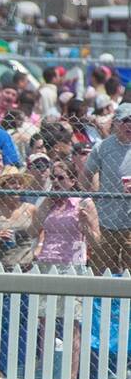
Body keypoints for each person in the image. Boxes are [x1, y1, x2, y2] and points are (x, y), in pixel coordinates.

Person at [80, 102, 131, 273]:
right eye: (126, 120)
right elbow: (86, 174)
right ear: (116, 122)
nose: (130, 125)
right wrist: (90, 199)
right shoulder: (103, 146)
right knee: (102, 270)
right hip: (106, 221)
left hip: (130, 222)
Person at [35, 160, 99, 268]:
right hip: (46, 260)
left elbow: (97, 242)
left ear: (72, 181)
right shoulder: (49, 202)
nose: (55, 181)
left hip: (72, 263)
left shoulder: (84, 203)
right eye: (52, 177)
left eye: (60, 178)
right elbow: (34, 229)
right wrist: (47, 201)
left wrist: (85, 226)